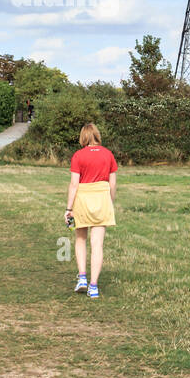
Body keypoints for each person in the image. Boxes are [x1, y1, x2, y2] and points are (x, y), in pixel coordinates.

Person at [64, 123, 117, 298]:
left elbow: (74, 184)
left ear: (83, 137)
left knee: (80, 239)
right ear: (97, 135)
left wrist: (68, 208)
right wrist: (110, 202)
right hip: (102, 197)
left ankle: (82, 278)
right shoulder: (108, 154)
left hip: (83, 198)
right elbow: (113, 183)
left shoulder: (78, 155)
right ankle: (93, 286)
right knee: (97, 245)